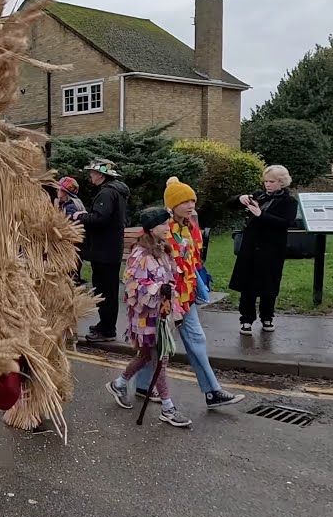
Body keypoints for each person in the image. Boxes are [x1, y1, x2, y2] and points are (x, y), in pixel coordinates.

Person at [130, 178, 246, 409]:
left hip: (186, 296)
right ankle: (134, 384)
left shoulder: (191, 226)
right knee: (155, 346)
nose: (191, 204)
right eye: (184, 201)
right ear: (172, 205)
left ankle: (212, 391)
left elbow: (193, 261)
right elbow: (161, 263)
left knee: (195, 340)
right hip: (167, 298)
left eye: (192, 199)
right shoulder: (165, 228)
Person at [106, 208, 192, 427]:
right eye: (164, 224)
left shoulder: (162, 250)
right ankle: (168, 408)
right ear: (152, 227)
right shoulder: (140, 254)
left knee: (147, 356)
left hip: (161, 314)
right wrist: (157, 288)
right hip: (146, 317)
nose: (167, 227)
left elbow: (170, 278)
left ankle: (119, 383)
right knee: (159, 360)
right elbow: (133, 285)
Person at [229, 165, 298, 335]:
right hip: (251, 247)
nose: (268, 184)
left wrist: (261, 215)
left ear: (281, 182)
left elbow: (287, 222)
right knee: (248, 285)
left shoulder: (289, 202)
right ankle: (246, 319)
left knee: (269, 285)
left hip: (272, 248)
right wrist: (241, 198)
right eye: (266, 181)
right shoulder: (259, 196)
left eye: (272, 181)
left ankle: (267, 317)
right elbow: (229, 204)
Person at [72, 158, 129, 343]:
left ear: (101, 175)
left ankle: (107, 330)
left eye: (92, 173)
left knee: (105, 292)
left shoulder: (106, 193)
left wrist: (82, 216)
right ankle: (105, 324)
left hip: (104, 252)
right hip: (110, 251)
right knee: (107, 290)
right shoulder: (115, 192)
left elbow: (100, 219)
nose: (90, 176)